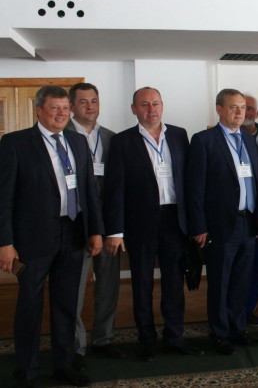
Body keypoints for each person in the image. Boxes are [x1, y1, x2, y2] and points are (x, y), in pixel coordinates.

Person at [0, 86, 103, 387]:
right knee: (29, 305)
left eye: (65, 108)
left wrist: (95, 231)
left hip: (73, 234)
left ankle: (64, 364)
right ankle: (27, 370)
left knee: (66, 304)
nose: (61, 114)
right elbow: (3, 199)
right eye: (55, 108)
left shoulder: (77, 141)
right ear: (39, 111)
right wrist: (5, 243)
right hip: (31, 242)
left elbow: (89, 191)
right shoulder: (15, 143)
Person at [103, 87, 202, 361]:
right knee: (142, 284)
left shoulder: (179, 135)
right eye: (144, 105)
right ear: (134, 109)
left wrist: (195, 223)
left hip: (175, 221)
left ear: (162, 105)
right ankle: (146, 340)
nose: (151, 110)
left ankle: (174, 338)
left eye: (155, 103)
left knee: (174, 283)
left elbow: (190, 181)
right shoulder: (122, 141)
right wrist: (115, 230)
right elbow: (115, 189)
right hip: (140, 223)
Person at [187, 89, 258, 355]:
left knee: (242, 281)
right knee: (220, 282)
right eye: (233, 107)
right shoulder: (204, 140)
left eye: (242, 107)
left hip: (248, 222)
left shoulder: (249, 140)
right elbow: (195, 188)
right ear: (219, 109)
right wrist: (199, 226)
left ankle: (237, 329)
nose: (240, 112)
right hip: (219, 225)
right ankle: (219, 334)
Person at [66, 83, 125, 370]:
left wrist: (116, 228)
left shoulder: (112, 138)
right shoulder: (62, 136)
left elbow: (119, 186)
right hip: (76, 225)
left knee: (108, 285)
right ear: (71, 106)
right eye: (83, 102)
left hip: (108, 224)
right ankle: (75, 346)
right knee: (74, 288)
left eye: (94, 101)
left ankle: (103, 339)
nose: (90, 107)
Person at [240, 94, 258, 327]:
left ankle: (248, 309)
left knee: (256, 265)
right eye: (242, 108)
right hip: (234, 215)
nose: (246, 113)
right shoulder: (219, 138)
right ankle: (231, 312)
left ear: (257, 113)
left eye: (250, 109)